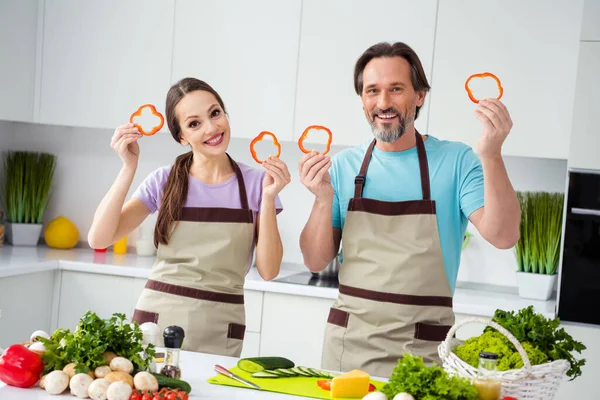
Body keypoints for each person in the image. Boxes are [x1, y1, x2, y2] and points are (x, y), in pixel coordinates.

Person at [298, 42, 520, 378]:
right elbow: (315, 261)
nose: (383, 102)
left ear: (420, 96)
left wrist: (492, 155)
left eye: (396, 89)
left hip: (424, 352)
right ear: (362, 99)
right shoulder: (343, 167)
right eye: (373, 91)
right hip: (348, 348)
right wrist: (321, 199)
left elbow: (504, 236)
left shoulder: (456, 161)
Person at [88, 77, 290, 357]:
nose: (211, 128)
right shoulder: (164, 180)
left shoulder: (258, 183)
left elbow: (269, 271)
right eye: (194, 123)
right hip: (157, 321)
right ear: (181, 136)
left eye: (215, 113)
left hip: (221, 324)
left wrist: (268, 199)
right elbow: (99, 237)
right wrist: (128, 167)